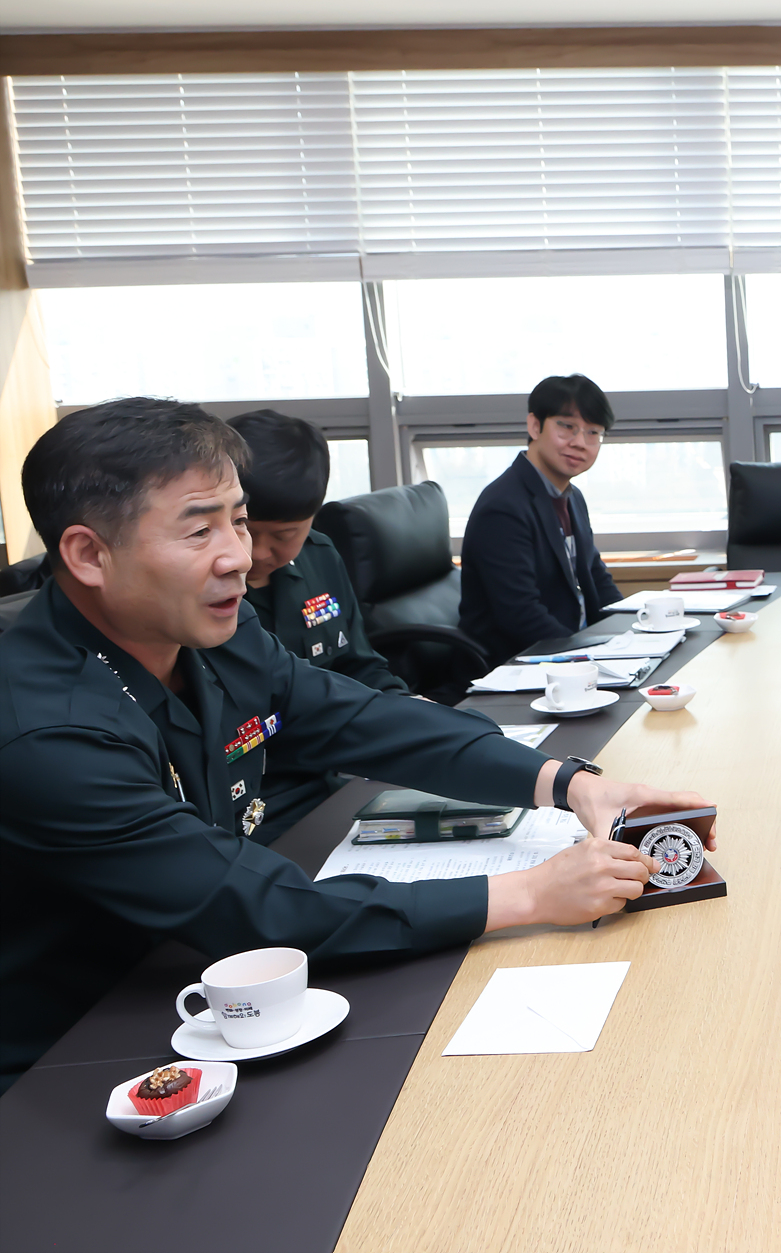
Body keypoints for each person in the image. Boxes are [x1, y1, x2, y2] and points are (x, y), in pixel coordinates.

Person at [0, 398, 714, 1095]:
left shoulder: (215, 629)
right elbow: (256, 908)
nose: (238, 559)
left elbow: (362, 719)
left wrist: (570, 783)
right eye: (198, 532)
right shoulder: (46, 731)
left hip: (207, 984)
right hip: (75, 1056)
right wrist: (530, 892)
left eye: (239, 521)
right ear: (89, 554)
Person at [229, 409, 415, 839]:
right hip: (258, 803)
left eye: (285, 534)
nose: (257, 553)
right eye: (245, 528)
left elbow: (358, 664)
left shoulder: (319, 556)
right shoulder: (204, 587)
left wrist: (405, 711)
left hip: (336, 782)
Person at [459, 374, 625, 663]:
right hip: (519, 665)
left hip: (570, 653)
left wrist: (633, 634)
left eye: (593, 433)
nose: (580, 443)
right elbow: (520, 615)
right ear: (534, 426)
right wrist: (589, 657)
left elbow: (597, 578)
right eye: (567, 427)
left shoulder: (571, 497)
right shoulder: (503, 507)